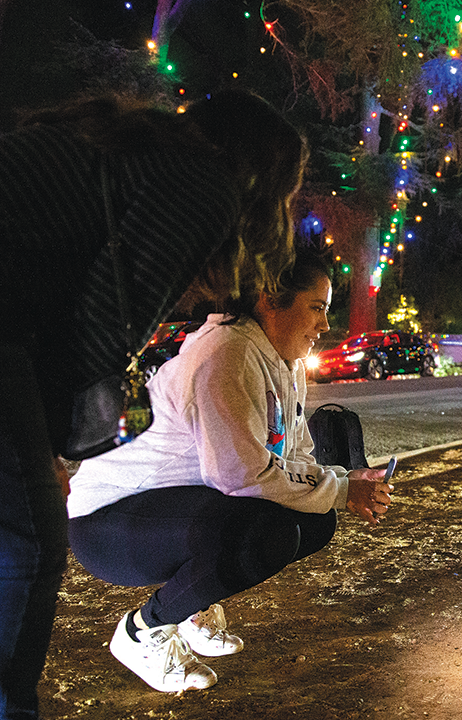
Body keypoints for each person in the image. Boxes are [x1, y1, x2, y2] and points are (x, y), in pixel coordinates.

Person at [0, 89, 306, 720]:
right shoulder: (200, 184)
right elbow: (109, 326)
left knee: (1, 544)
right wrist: (55, 445)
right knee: (15, 548)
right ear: (261, 176)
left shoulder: (128, 156)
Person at [66, 250, 394, 693]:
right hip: (106, 523)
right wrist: (339, 488)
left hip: (178, 507)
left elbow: (293, 454)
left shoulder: (284, 361)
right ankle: (143, 632)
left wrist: (343, 483)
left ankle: (193, 609)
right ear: (270, 299)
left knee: (314, 522)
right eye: (316, 307)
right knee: (260, 531)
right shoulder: (226, 352)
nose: (324, 325)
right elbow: (241, 476)